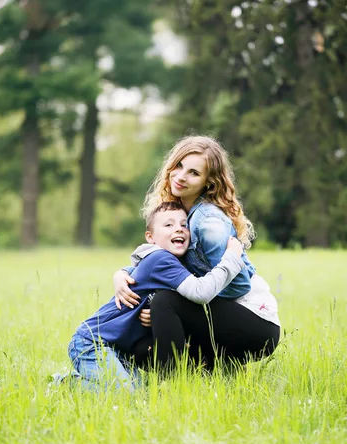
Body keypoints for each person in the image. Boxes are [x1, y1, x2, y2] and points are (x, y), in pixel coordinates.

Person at [114, 135, 280, 369]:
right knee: (142, 351)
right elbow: (161, 260)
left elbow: (238, 286)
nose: (181, 176)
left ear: (209, 182)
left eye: (194, 172)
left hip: (255, 323)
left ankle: (169, 386)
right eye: (179, 166)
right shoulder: (180, 212)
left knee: (164, 303)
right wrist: (122, 274)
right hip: (223, 317)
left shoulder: (208, 224)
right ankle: (218, 369)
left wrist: (179, 307)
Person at [68, 202, 245, 392]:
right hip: (93, 342)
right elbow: (201, 292)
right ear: (150, 237)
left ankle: (80, 380)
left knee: (140, 392)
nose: (178, 229)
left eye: (184, 225)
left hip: (118, 350)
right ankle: (66, 384)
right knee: (125, 395)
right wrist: (231, 258)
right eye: (168, 225)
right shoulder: (161, 259)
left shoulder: (173, 263)